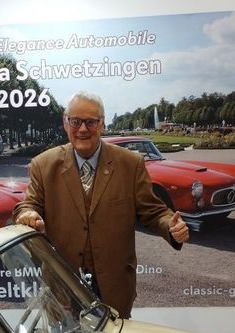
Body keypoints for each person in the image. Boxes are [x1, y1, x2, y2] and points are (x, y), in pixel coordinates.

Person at [13, 90, 190, 318]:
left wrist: (171, 227)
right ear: (65, 123)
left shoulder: (130, 164)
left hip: (115, 288)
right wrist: (27, 214)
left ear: (103, 124)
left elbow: (153, 211)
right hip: (62, 288)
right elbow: (28, 204)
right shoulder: (43, 165)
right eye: (75, 121)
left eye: (91, 122)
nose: (83, 129)